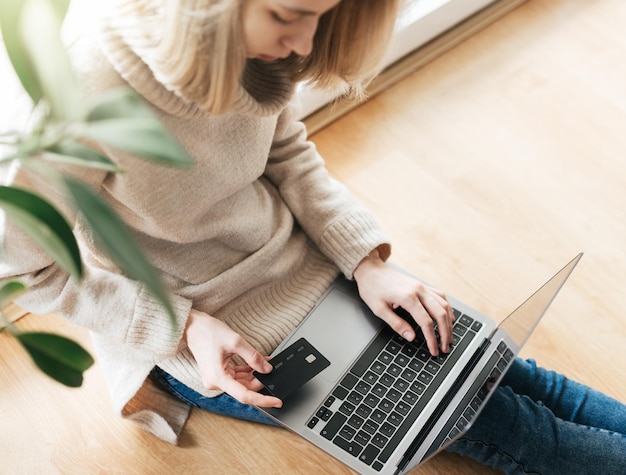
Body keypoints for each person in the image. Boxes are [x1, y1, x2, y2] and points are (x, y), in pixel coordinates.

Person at [1, 0, 625, 473]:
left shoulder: (260, 51)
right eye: (289, 15)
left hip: (315, 269)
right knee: (507, 423)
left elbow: (287, 152)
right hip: (227, 337)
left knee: (507, 368)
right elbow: (23, 268)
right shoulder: (77, 99)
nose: (304, 42)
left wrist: (365, 261)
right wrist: (183, 326)